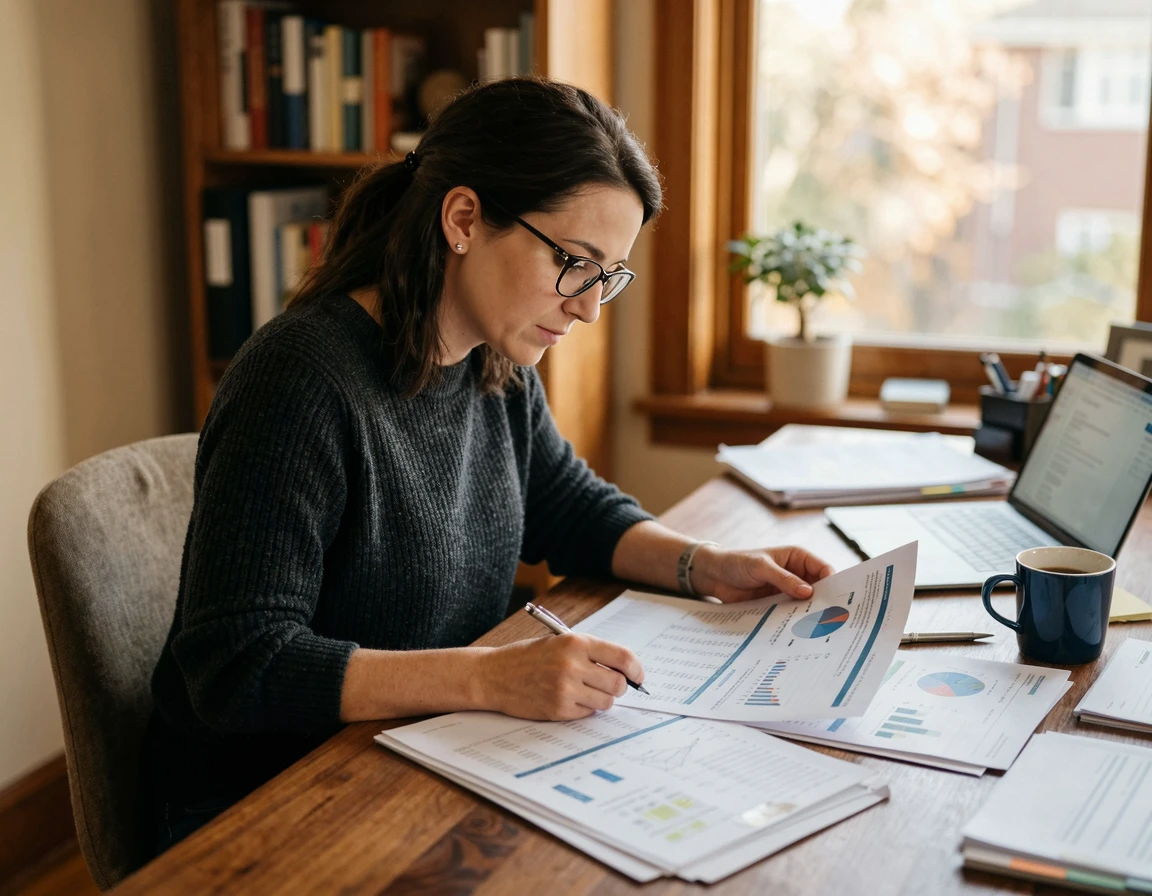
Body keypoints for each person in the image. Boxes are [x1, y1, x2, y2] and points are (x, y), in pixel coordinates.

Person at [143, 77, 834, 855]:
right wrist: (489, 677)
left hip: (427, 752)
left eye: (609, 275)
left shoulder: (491, 363)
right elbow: (237, 666)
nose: (588, 307)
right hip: (272, 803)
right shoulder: (301, 380)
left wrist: (705, 566)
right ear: (464, 218)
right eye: (576, 263)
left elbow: (568, 509)